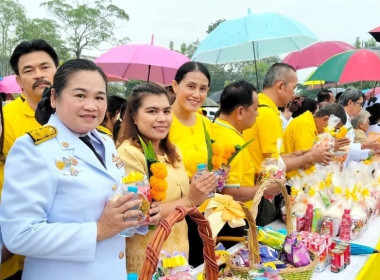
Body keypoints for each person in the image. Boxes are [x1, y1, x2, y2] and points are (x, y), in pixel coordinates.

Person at [0, 59, 160, 280]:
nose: (91, 106)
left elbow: (112, 200)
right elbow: (19, 235)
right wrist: (99, 229)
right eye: (80, 95)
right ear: (55, 98)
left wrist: (139, 214)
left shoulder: (104, 140)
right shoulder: (33, 148)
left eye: (99, 97)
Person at [116, 83, 216, 273]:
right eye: (152, 111)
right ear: (135, 116)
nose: (162, 118)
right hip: (148, 256)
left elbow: (179, 191)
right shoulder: (129, 153)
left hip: (178, 250)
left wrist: (200, 185)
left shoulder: (173, 151)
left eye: (166, 111)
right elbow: (142, 214)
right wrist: (191, 199)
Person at [0, 39, 59, 280]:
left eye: (45, 67)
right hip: (12, 248)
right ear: (18, 79)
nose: (39, 75)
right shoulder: (5, 118)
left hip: (61, 243)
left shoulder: (77, 118)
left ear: (58, 69)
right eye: (28, 70)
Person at [213, 80, 283, 231]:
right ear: (240, 111)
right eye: (255, 109)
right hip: (233, 219)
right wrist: (266, 189)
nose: (257, 114)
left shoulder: (214, 129)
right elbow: (229, 192)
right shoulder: (233, 143)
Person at [169, 61, 217, 267]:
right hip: (173, 213)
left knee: (201, 266)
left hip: (201, 211)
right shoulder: (163, 122)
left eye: (203, 89)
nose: (196, 94)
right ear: (174, 86)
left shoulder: (205, 123)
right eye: (190, 86)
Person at [284, 103, 347, 177]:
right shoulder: (304, 125)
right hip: (292, 180)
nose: (333, 134)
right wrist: (329, 147)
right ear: (324, 119)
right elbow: (305, 164)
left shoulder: (310, 123)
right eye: (334, 129)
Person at [338, 87, 380, 161]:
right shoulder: (338, 120)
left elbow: (350, 152)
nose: (361, 108)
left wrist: (370, 152)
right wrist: (363, 145)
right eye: (360, 104)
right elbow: (339, 148)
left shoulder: (347, 119)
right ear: (350, 102)